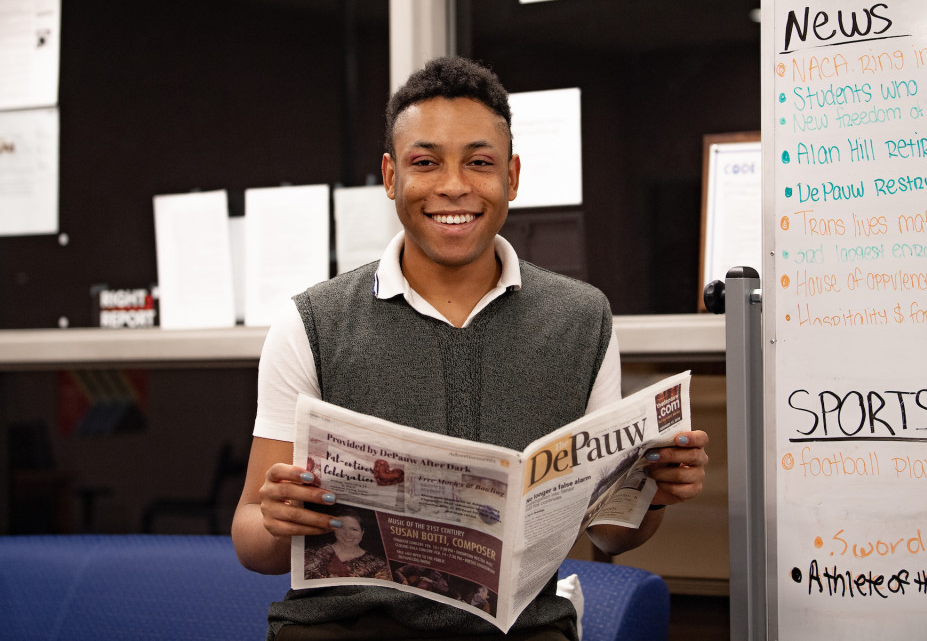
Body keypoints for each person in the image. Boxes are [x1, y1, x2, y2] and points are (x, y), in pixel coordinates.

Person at [233, 56, 709, 640]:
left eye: (479, 163)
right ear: (390, 177)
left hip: (519, 631)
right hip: (346, 628)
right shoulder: (311, 323)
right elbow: (252, 540)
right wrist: (279, 521)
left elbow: (609, 534)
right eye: (425, 162)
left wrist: (652, 496)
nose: (453, 185)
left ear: (511, 176)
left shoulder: (582, 319)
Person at [302, 506, 391, 581]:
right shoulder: (311, 554)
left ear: (362, 532)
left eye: (354, 529)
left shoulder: (379, 564)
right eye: (341, 528)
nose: (348, 534)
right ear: (334, 529)